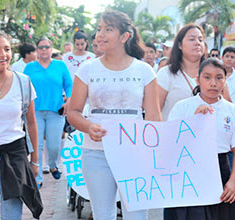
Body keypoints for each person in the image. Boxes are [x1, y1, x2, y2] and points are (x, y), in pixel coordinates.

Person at [67, 10, 162, 220]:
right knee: (103, 215)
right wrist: (88, 126)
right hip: (96, 154)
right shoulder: (86, 70)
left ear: (124, 37)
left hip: (135, 155)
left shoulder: (145, 71)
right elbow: (72, 113)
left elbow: (154, 118)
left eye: (108, 29)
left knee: (136, 215)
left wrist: (152, 154)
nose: (100, 34)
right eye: (99, 29)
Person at [165, 58, 235, 220]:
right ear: (198, 79)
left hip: (221, 170)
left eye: (219, 78)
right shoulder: (183, 107)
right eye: (207, 77)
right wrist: (194, 121)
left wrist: (233, 181)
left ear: (225, 81)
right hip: (189, 173)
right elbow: (172, 144)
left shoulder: (232, 111)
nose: (213, 83)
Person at [0, 31, 42, 219]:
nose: (3, 54)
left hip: (14, 157)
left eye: (6, 49)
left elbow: (31, 122)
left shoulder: (23, 82)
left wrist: (35, 160)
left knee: (12, 214)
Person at [24, 37, 73, 188]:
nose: (44, 50)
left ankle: (52, 165)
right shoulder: (30, 68)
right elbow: (24, 87)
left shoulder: (60, 66)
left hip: (55, 112)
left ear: (51, 49)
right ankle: (38, 178)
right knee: (36, 145)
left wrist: (69, 100)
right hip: (34, 112)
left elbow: (69, 85)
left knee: (54, 145)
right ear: (37, 50)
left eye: (47, 47)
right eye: (41, 47)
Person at [157, 23, 206, 121]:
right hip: (172, 133)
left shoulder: (212, 73)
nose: (197, 43)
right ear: (180, 45)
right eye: (192, 39)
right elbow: (155, 111)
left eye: (200, 40)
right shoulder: (166, 73)